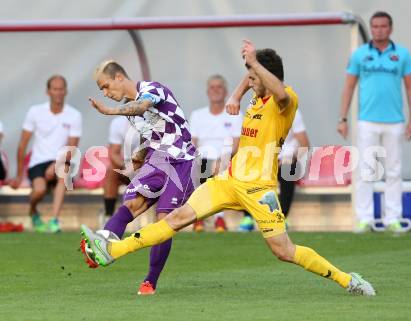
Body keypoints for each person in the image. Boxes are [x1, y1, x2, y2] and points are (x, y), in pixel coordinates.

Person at [81, 40, 376, 296]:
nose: (249, 82)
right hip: (229, 181)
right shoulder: (257, 98)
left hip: (260, 190)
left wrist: (253, 65)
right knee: (174, 220)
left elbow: (279, 91)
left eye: (253, 76)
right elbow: (252, 80)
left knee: (284, 251)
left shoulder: (285, 101)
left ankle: (347, 279)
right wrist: (237, 92)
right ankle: (113, 250)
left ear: (267, 75)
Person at [80, 60, 198, 296]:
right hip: (157, 158)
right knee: (131, 204)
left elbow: (143, 106)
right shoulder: (130, 109)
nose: (105, 93)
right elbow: (156, 131)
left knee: (164, 222)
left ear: (119, 78)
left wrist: (109, 111)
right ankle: (102, 246)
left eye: (105, 86)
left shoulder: (152, 89)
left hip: (183, 160)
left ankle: (150, 282)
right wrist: (140, 153)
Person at [337, 11, 411, 233]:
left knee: (393, 170)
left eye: (383, 26)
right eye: (375, 26)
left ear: (390, 29)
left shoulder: (402, 55)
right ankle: (364, 219)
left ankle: (393, 218)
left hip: (395, 121)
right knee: (366, 170)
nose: (379, 30)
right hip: (367, 121)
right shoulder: (359, 55)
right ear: (371, 29)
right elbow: (349, 86)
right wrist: (343, 118)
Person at [10, 75, 82, 233]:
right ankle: (33, 210)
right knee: (39, 191)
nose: (58, 92)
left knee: (64, 171)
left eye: (61, 89)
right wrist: (18, 175)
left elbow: (72, 148)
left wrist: (55, 164)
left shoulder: (74, 115)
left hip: (61, 161)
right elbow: (22, 144)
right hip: (38, 162)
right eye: (55, 89)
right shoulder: (35, 112)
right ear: (48, 92)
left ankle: (54, 220)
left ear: (66, 91)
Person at [239, 108, 310, 231]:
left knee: (288, 170)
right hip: (262, 159)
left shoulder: (292, 112)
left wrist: (292, 157)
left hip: (286, 159)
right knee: (243, 171)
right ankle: (248, 218)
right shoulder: (256, 111)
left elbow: (304, 144)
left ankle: (281, 217)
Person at [189, 74, 243, 232]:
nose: (215, 90)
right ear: (207, 91)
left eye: (219, 87)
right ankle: (202, 217)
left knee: (220, 168)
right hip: (203, 158)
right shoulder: (197, 115)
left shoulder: (235, 114)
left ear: (226, 91)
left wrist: (223, 158)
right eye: (212, 87)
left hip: (226, 159)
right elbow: (193, 143)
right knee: (198, 166)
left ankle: (216, 218)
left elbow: (237, 143)